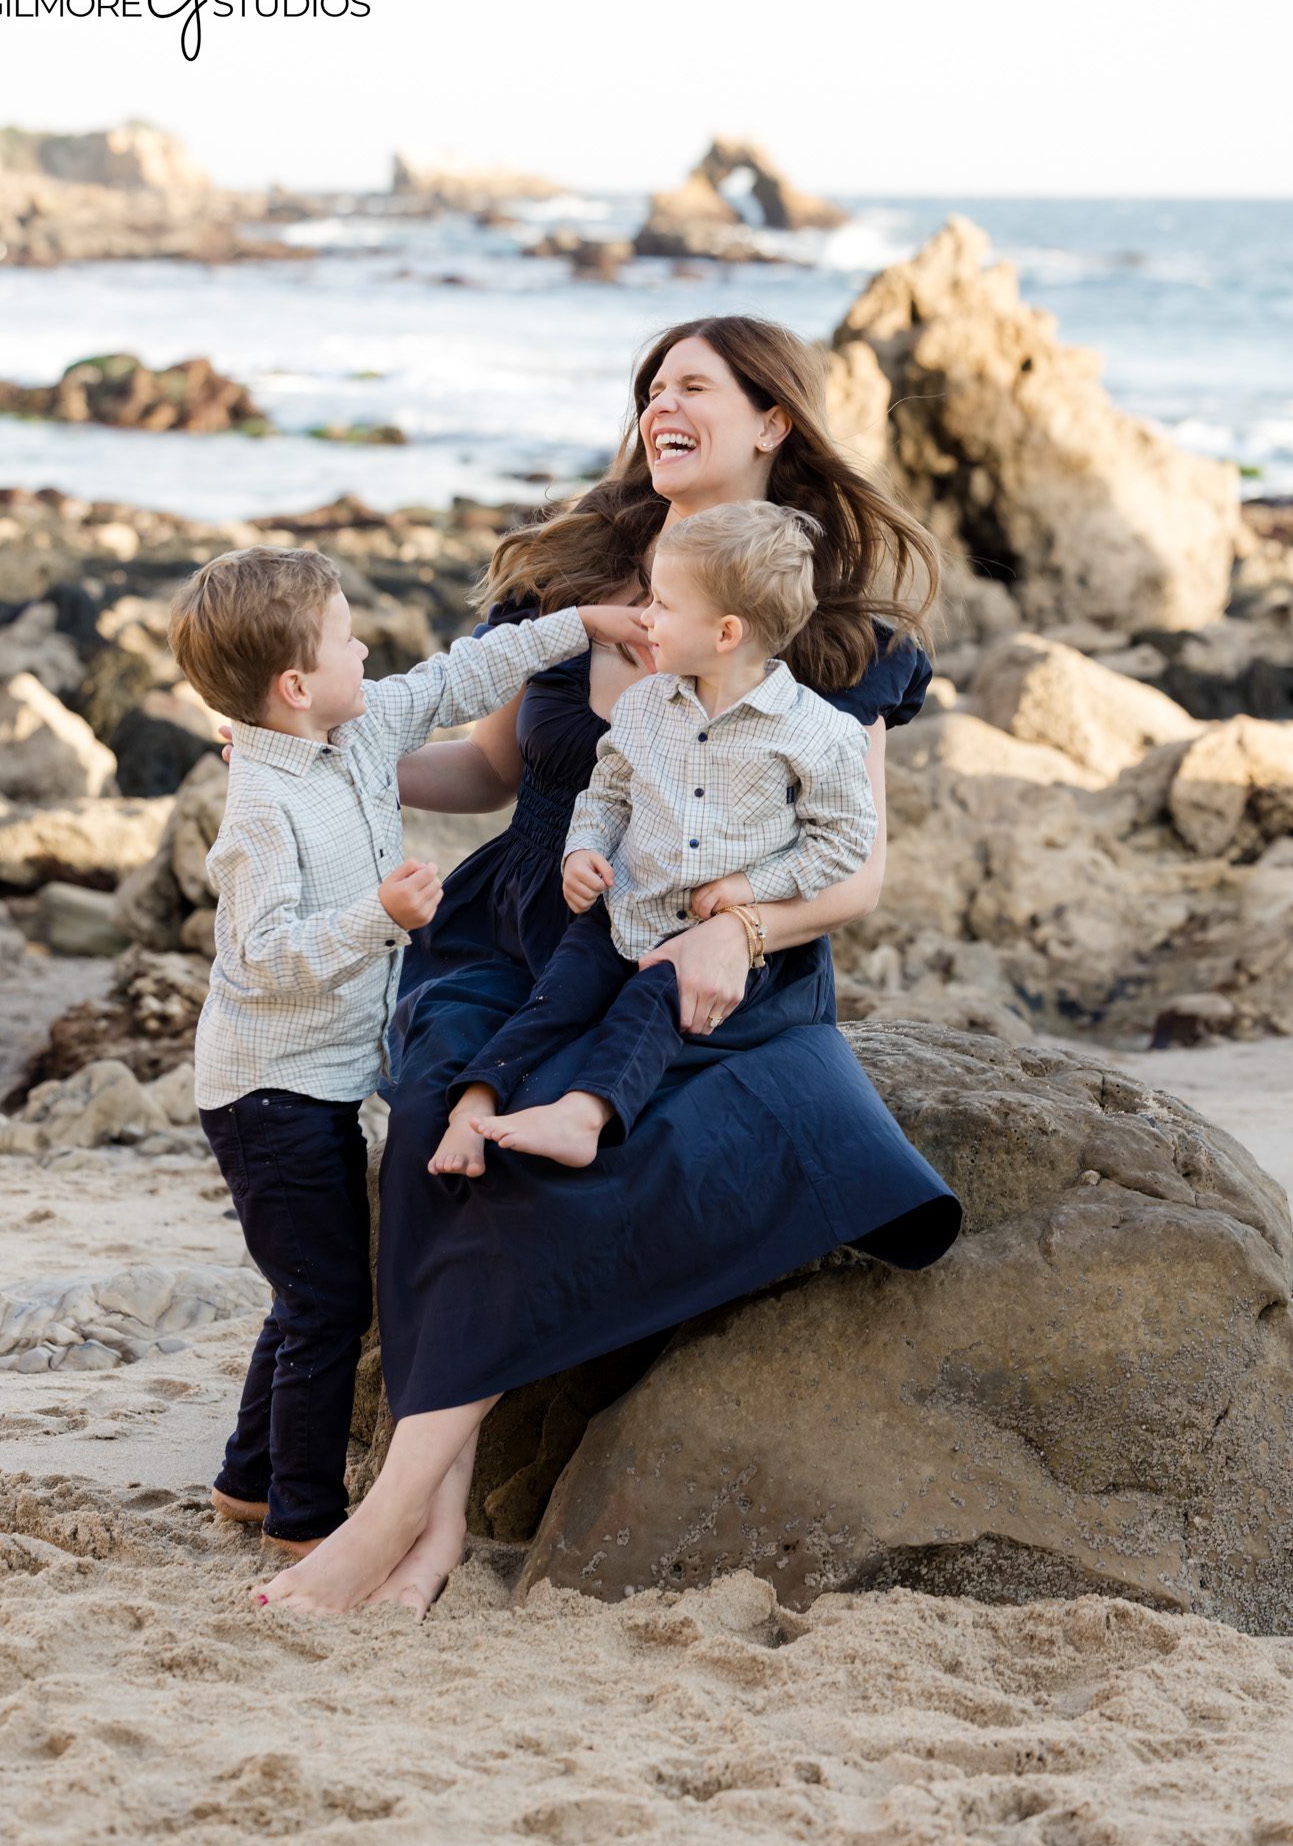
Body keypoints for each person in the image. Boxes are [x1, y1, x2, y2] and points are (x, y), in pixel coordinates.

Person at [259, 315, 963, 1619]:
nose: (659, 405)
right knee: (434, 1121)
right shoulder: (567, 580)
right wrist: (328, 751)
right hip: (520, 917)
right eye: (651, 386)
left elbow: (856, 872)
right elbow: (489, 769)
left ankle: (386, 1523)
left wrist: (740, 930)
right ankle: (433, 1520)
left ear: (774, 421)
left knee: (537, 1165)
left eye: (694, 384)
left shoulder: (834, 635)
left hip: (705, 950)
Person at [167, 544, 646, 1555]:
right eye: (346, 639)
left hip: (323, 1081)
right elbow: (260, 957)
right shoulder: (261, 808)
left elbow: (460, 676)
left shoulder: (362, 726)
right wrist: (377, 917)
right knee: (326, 1304)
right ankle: (303, 1518)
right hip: (266, 1092)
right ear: (295, 686)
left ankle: (247, 1479)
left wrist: (585, 624)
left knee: (308, 1288)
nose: (366, 650)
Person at [435, 500, 878, 1171]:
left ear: (726, 632)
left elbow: (843, 841)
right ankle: (472, 1106)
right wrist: (583, 848)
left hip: (701, 937)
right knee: (554, 999)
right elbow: (607, 792)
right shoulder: (645, 702)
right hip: (623, 907)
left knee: (648, 1006)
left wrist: (752, 885)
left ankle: (583, 1116)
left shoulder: (817, 733)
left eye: (664, 605)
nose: (644, 617)